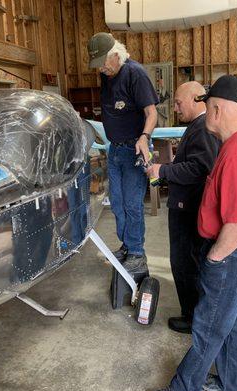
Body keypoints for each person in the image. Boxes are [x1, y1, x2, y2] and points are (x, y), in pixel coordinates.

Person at [149, 75, 237, 391]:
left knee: (208, 327)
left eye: (207, 106)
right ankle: (232, 386)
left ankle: (184, 389)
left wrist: (214, 258)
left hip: (236, 256)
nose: (204, 112)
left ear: (217, 109)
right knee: (234, 324)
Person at [147, 81, 220, 334]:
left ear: (195, 99)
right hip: (188, 204)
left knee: (184, 262)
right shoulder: (199, 126)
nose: (176, 108)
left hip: (189, 207)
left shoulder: (201, 128)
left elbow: (201, 168)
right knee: (187, 261)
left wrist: (163, 170)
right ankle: (194, 314)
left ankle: (192, 318)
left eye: (178, 103)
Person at [87, 32, 159, 270]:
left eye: (103, 65)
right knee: (116, 203)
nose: (101, 70)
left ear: (116, 56)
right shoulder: (107, 76)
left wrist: (144, 137)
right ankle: (127, 246)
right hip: (115, 149)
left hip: (133, 148)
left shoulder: (135, 74)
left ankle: (137, 251)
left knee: (131, 203)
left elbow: (151, 113)